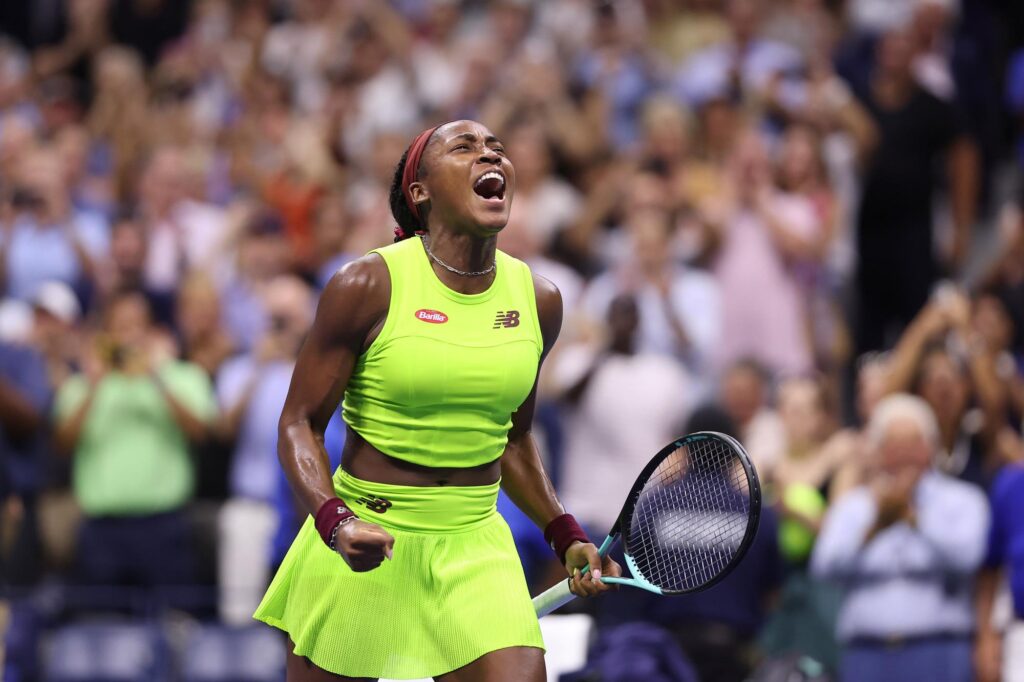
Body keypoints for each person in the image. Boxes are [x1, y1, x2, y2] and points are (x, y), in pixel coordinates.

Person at [254, 120, 621, 682]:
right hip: (366, 538)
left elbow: (513, 439)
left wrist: (563, 532)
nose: (489, 156)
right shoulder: (365, 285)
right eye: (465, 148)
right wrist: (335, 522)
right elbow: (299, 423)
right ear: (419, 192)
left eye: (496, 148)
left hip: (476, 545)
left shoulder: (539, 299)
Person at [53, 289, 217, 613]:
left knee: (175, 624)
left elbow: (201, 432)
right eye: (120, 327)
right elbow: (62, 443)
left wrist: (155, 376)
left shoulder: (182, 376)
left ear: (153, 330)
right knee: (100, 628)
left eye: (136, 325)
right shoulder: (82, 385)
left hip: (164, 526)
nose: (129, 336)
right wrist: (96, 382)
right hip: (102, 530)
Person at [811, 393, 990, 682]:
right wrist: (874, 529)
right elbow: (824, 566)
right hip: (867, 653)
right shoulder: (855, 506)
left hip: (939, 650)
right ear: (878, 450)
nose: (904, 454)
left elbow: (968, 558)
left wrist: (916, 519)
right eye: (894, 444)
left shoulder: (962, 499)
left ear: (931, 446)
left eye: (913, 444)